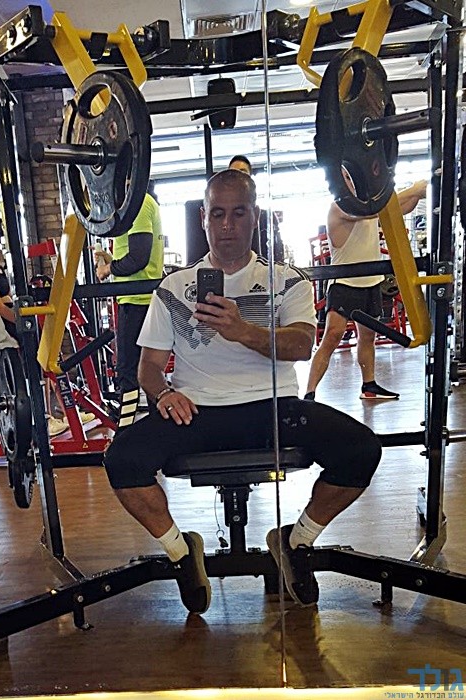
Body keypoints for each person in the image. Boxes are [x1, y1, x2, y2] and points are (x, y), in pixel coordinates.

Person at [103, 169, 382, 614]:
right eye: (217, 214)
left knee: (362, 449)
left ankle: (296, 541)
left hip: (274, 407)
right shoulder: (174, 288)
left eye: (238, 213)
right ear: (204, 220)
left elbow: (301, 345)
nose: (227, 225)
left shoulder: (287, 280)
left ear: (255, 217)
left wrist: (242, 330)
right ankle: (181, 553)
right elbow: (149, 368)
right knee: (121, 459)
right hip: (198, 410)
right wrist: (164, 395)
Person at [305, 178, 428, 401]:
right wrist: (413, 189)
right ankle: (309, 393)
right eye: (347, 179)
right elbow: (374, 211)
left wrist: (417, 194)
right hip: (345, 283)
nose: (353, 183)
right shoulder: (340, 206)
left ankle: (369, 386)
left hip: (371, 281)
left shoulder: (370, 207)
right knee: (332, 337)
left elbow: (399, 208)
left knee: (368, 337)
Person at [95, 180, 165, 424]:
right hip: (137, 299)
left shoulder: (139, 204)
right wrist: (112, 260)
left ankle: (127, 431)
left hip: (138, 301)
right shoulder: (141, 204)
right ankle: (155, 429)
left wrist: (108, 269)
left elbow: (138, 258)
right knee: (144, 370)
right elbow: (136, 255)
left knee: (129, 372)